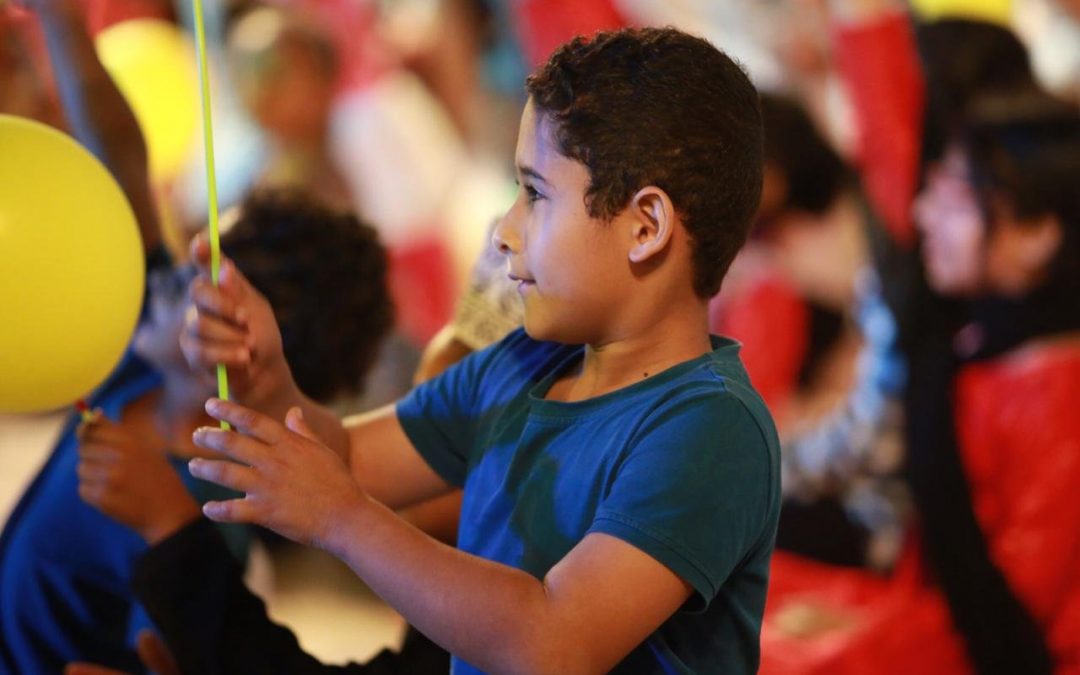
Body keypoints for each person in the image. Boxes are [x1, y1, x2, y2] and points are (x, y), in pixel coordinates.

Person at [175, 26, 778, 675]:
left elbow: (553, 643)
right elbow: (349, 457)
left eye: (535, 194)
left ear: (645, 226)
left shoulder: (710, 429)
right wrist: (264, 375)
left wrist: (344, 520)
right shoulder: (519, 365)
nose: (504, 231)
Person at [0, 2, 394, 672]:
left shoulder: (198, 517)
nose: (182, 259)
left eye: (204, 274)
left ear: (241, 346)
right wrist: (63, 25)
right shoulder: (144, 361)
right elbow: (120, 163)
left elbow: (174, 646)